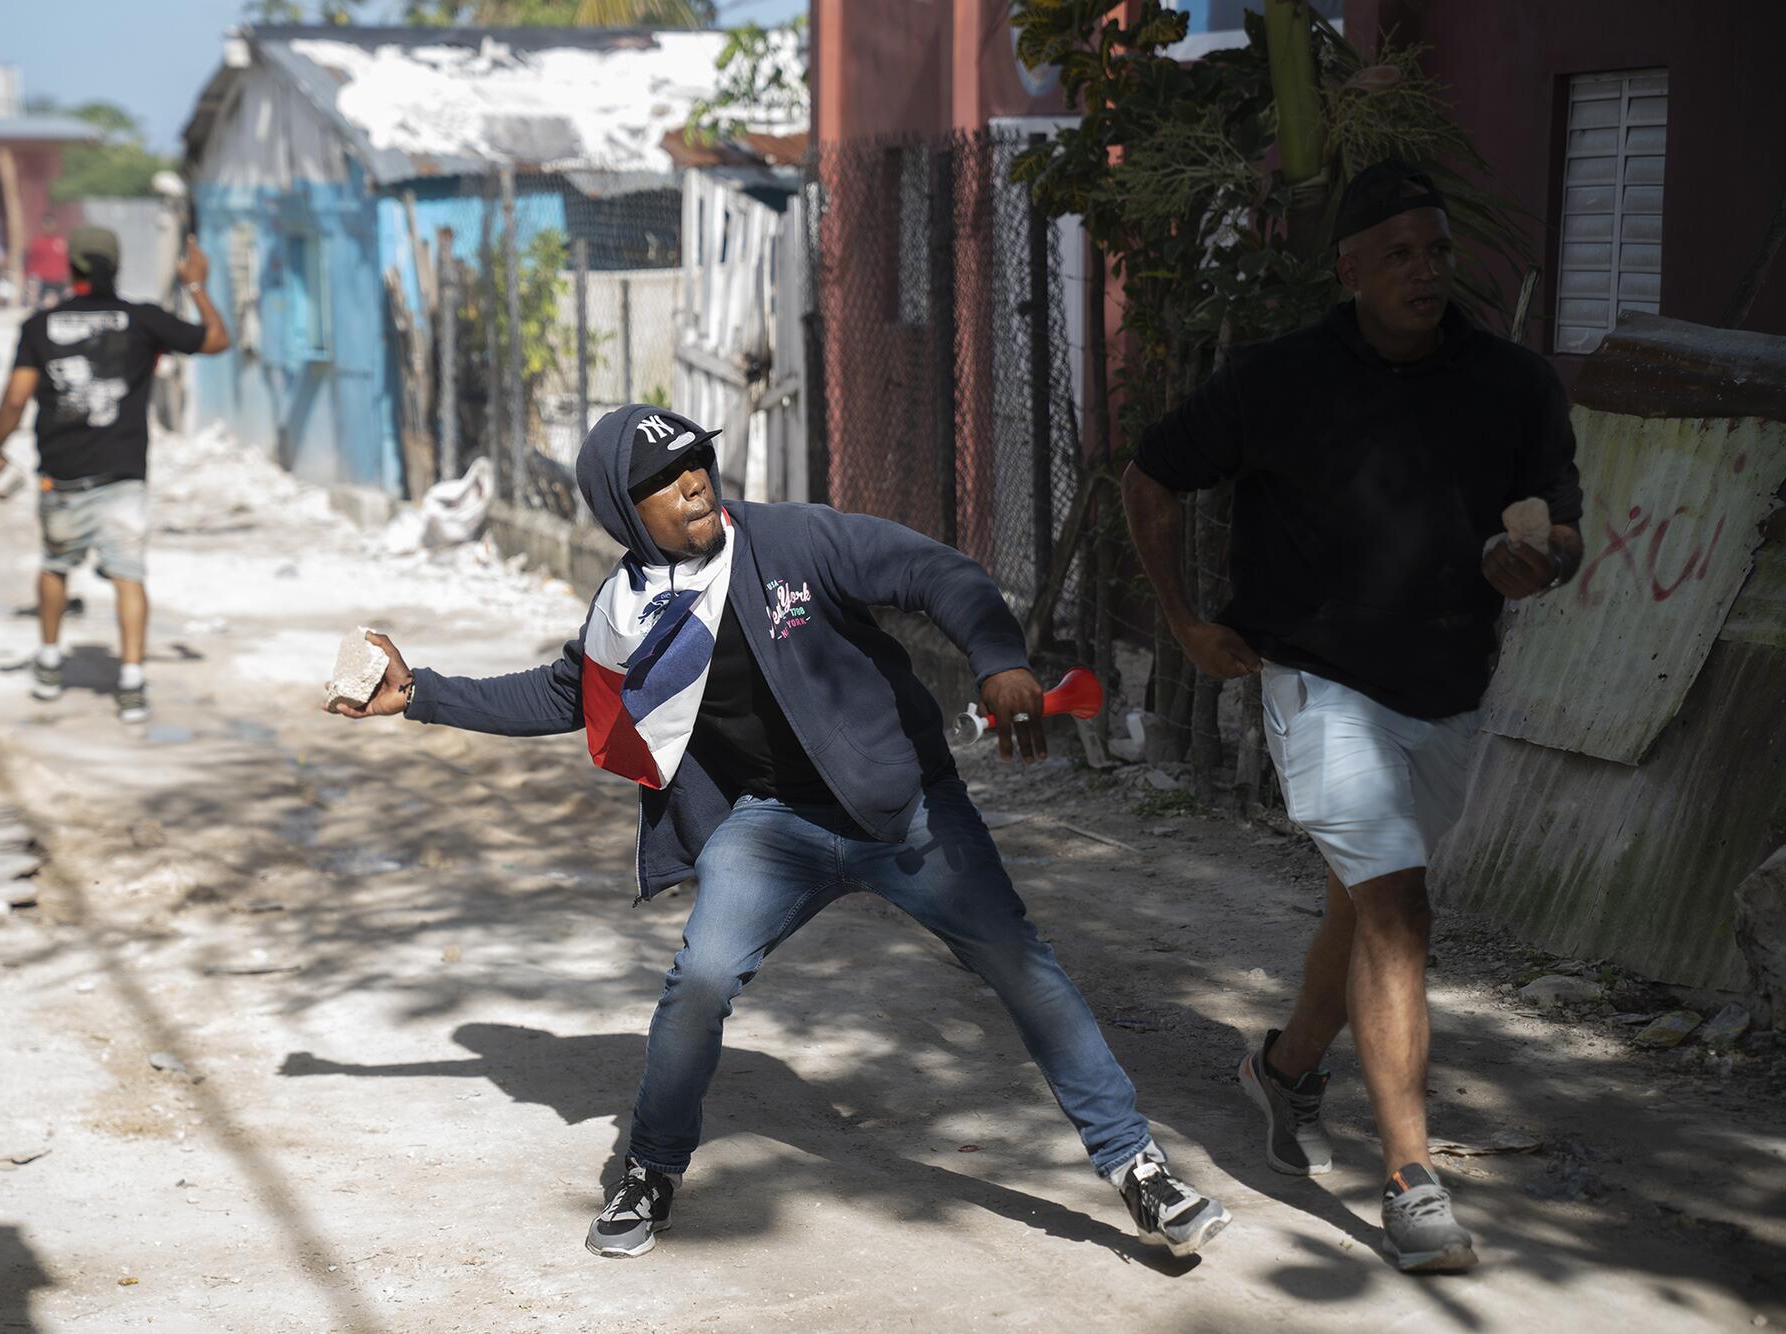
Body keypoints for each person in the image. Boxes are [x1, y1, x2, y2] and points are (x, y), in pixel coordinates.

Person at [328, 405, 1234, 1263]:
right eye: (663, 478)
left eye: (695, 461)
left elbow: (938, 572)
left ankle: (1136, 1166)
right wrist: (423, 695)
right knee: (702, 979)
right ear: (623, 512)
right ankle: (649, 1170)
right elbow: (564, 696)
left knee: (1018, 963)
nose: (692, 483)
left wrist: (998, 660)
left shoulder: (793, 539)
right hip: (771, 826)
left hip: (903, 808)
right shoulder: (626, 612)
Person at [1121, 160, 1584, 1275]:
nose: (1423, 271)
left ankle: (1280, 1069)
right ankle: (1411, 1177)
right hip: (1315, 679)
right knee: (1399, 913)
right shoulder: (1276, 379)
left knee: (1363, 906)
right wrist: (1181, 618)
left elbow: (1559, 530)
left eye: (1433, 250)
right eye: (1397, 255)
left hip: (1446, 686)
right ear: (1349, 269)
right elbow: (1147, 477)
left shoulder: (1512, 383)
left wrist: (1536, 560)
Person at [0, 225, 229, 723]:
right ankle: (133, 683)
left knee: (55, 566)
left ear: (70, 267)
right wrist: (197, 286)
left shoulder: (39, 326)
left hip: (61, 473)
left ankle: (50, 663)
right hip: (123, 475)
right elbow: (216, 341)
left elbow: (15, 397)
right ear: (115, 268)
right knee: (129, 576)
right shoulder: (144, 320)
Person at [26, 214, 71, 308]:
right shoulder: (37, 243)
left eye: (52, 224)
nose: (50, 227)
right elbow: (30, 262)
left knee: (60, 307)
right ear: (43, 226)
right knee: (42, 308)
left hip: (59, 281)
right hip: (43, 281)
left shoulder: (61, 241)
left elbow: (66, 261)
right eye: (47, 225)